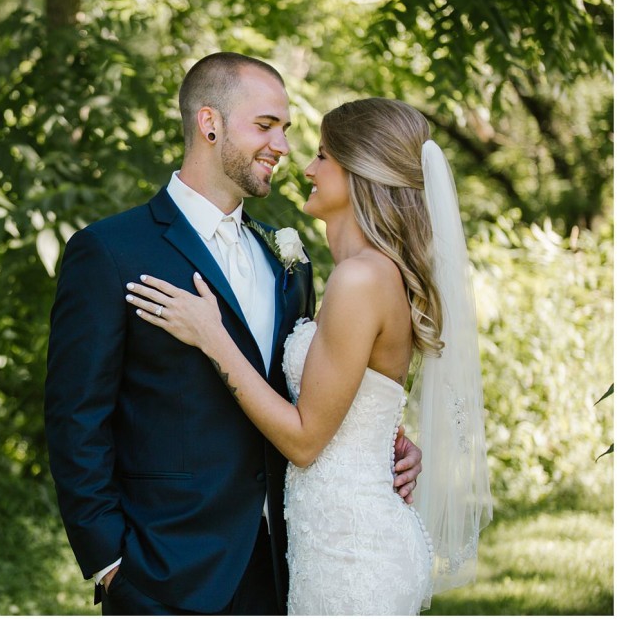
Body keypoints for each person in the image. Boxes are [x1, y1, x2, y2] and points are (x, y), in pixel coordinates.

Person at [44, 54, 424, 615]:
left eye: (289, 132)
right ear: (210, 124)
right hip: (164, 572)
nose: (283, 147)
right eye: (266, 126)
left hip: (289, 564)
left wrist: (384, 442)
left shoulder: (289, 262)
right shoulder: (110, 251)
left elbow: (312, 393)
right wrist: (109, 562)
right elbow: (76, 417)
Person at [125, 97, 493, 614]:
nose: (306, 167)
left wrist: (212, 336)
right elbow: (355, 400)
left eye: (323, 156)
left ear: (361, 172)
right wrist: (391, 438)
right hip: (331, 540)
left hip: (353, 555)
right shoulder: (364, 274)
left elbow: (303, 441)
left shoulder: (361, 278)